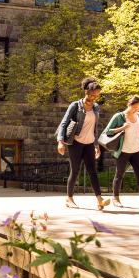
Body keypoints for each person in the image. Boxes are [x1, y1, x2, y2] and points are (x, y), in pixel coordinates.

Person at [56, 77, 110, 210]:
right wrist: (60, 141)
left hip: (89, 143)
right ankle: (69, 198)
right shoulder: (75, 105)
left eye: (96, 96)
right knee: (75, 171)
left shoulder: (96, 107)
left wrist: (96, 145)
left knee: (93, 171)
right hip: (76, 142)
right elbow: (64, 122)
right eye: (92, 95)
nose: (94, 98)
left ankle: (99, 200)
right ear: (86, 92)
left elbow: (94, 128)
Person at [102, 95, 139, 208]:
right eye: (135, 107)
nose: (136, 110)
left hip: (137, 150)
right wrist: (122, 127)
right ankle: (115, 198)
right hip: (123, 151)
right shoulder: (119, 116)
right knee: (119, 174)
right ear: (129, 104)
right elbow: (107, 132)